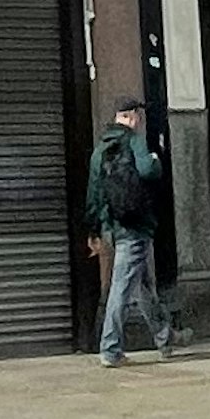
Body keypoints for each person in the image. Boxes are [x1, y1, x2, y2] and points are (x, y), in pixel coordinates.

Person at [84, 100, 176, 365]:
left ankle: (165, 337)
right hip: (135, 225)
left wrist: (95, 228)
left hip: (113, 225)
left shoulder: (102, 148)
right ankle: (110, 348)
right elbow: (147, 169)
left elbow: (94, 191)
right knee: (121, 287)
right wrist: (156, 160)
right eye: (139, 116)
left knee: (143, 284)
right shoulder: (134, 140)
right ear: (134, 117)